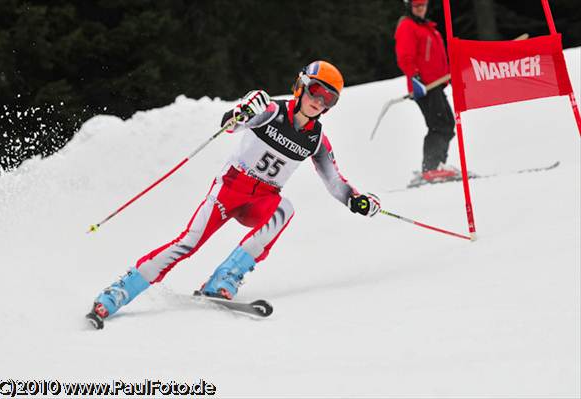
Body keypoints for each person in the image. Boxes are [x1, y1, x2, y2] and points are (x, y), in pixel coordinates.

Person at [86, 60, 381, 328]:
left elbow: (334, 181)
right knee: (188, 243)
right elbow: (231, 125)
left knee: (285, 209)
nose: (319, 101)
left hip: (262, 198)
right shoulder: (271, 111)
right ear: (300, 86)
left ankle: (224, 279)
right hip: (231, 187)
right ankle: (117, 293)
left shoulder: (316, 140)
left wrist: (356, 200)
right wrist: (242, 110)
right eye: (316, 91)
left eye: (328, 98)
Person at [394, 0, 458, 183]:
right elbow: (405, 56)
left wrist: (447, 76)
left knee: (446, 123)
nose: (421, 9)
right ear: (409, 6)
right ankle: (431, 168)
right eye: (416, 6)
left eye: (423, 4)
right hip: (424, 87)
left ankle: (437, 165)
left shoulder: (427, 27)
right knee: (439, 124)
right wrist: (416, 78)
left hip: (436, 84)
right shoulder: (407, 26)